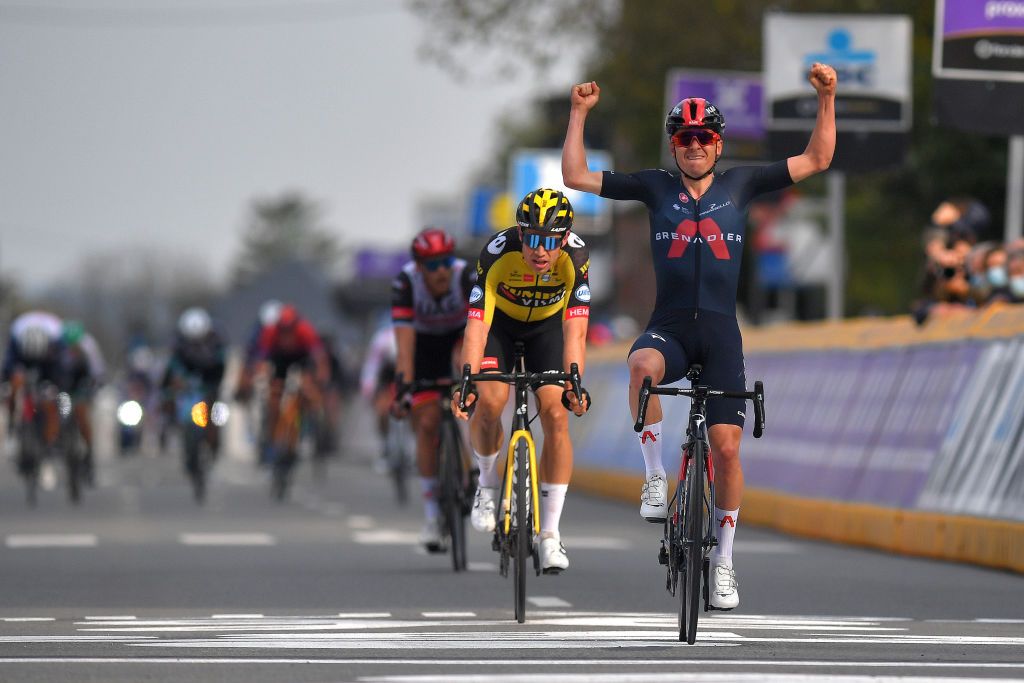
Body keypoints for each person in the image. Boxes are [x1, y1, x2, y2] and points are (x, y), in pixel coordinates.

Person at [562, 63, 837, 608]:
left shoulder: (742, 182)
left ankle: (725, 562)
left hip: (720, 335)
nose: (694, 146)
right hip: (668, 329)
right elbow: (575, 176)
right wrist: (578, 114)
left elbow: (818, 159)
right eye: (684, 138)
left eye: (703, 137)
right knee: (641, 366)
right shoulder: (653, 185)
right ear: (673, 144)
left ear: (718, 143)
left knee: (727, 450)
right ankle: (654, 476)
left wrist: (827, 98)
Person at [451, 188, 592, 574]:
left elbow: (575, 330)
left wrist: (574, 382)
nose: (540, 251)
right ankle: (486, 483)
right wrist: (468, 379)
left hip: (546, 331)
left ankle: (550, 534)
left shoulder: (577, 258)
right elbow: (476, 326)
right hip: (500, 326)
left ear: (563, 239)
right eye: (532, 239)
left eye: (550, 241)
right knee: (491, 401)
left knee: (556, 415)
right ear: (519, 232)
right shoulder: (496, 253)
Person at [390, 227, 475, 551]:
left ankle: (473, 467)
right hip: (423, 346)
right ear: (419, 266)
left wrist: (472, 375)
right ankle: (430, 516)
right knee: (425, 423)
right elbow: (404, 348)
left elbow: (477, 330)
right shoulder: (405, 283)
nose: (440, 270)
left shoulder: (464, 275)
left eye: (444, 261)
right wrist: (403, 389)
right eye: (432, 264)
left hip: (458, 339)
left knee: (470, 389)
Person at [161, 308, 228, 461]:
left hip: (210, 375)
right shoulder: (178, 343)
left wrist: (213, 385)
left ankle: (214, 440)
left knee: (214, 406)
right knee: (169, 399)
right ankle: (170, 430)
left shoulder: (217, 341)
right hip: (188, 375)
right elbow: (172, 367)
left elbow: (221, 367)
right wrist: (170, 387)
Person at [55, 320, 106, 484]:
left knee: (84, 418)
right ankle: (60, 441)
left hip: (82, 388)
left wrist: (95, 385)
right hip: (64, 389)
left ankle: (89, 457)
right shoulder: (57, 349)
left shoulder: (89, 347)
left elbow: (97, 371)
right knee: (60, 413)